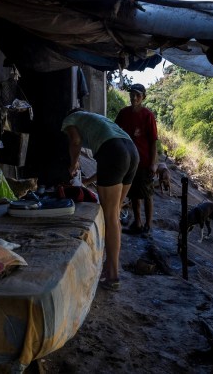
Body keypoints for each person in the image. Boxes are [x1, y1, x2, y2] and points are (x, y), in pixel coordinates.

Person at [61, 109, 139, 291]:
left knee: (110, 217)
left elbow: (75, 141)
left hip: (114, 152)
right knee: (115, 215)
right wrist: (86, 182)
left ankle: (113, 275)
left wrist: (73, 164)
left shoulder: (70, 119)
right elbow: (113, 163)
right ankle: (109, 268)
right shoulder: (98, 122)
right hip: (132, 152)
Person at [115, 83, 158, 236]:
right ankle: (137, 223)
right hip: (128, 161)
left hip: (144, 161)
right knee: (132, 193)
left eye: (138, 95)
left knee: (147, 194)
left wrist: (153, 164)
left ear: (143, 97)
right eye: (132, 94)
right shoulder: (123, 113)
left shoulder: (148, 115)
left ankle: (148, 225)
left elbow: (153, 141)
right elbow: (116, 133)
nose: (134, 97)